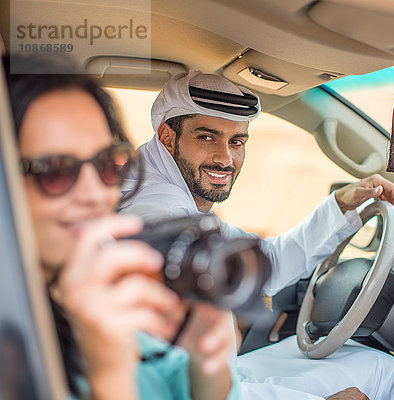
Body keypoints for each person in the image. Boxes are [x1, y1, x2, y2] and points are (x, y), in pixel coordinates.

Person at [119, 71, 394, 399]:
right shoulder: (159, 217)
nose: (225, 158)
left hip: (216, 380)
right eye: (207, 137)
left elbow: (268, 260)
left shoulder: (167, 196)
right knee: (386, 376)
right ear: (168, 138)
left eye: (236, 141)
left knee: (379, 366)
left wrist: (340, 205)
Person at [4, 55, 238, 400]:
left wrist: (205, 360)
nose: (97, 193)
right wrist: (109, 374)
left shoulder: (102, 293)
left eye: (107, 163)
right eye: (55, 169)